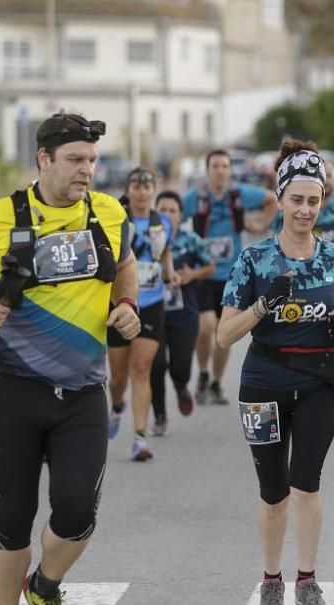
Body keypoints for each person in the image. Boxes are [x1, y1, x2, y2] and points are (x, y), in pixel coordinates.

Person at [0, 111, 140, 605]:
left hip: (82, 393)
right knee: (12, 515)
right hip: (13, 390)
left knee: (76, 512)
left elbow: (125, 265)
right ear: (43, 160)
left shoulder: (109, 213)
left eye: (92, 161)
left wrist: (126, 306)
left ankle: (45, 587)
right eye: (75, 160)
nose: (87, 171)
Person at [216, 140, 334, 605]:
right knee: (273, 492)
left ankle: (307, 583)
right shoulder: (254, 261)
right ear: (280, 198)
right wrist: (262, 305)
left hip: (320, 384)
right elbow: (225, 335)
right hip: (263, 384)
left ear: (322, 201)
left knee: (306, 482)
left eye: (314, 201)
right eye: (296, 200)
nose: (305, 210)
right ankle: (271, 581)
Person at [182, 149, 278, 406]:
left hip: (232, 277)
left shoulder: (239, 194)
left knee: (225, 334)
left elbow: (272, 199)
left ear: (230, 170)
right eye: (215, 166)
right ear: (207, 170)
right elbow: (171, 216)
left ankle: (216, 381)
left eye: (225, 166)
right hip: (204, 274)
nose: (220, 171)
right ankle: (202, 372)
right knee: (206, 329)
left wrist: (260, 225)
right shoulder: (196, 197)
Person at [105, 167, 180, 461]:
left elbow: (166, 251)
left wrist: (170, 270)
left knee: (141, 368)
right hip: (119, 303)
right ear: (128, 190)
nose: (142, 191)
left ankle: (139, 437)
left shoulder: (162, 221)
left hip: (151, 302)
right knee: (118, 376)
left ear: (154, 190)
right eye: (136, 186)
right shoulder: (115, 218)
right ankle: (117, 404)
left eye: (147, 187)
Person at [149, 190, 215, 436]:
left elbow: (210, 266)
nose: (167, 215)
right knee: (155, 366)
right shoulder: (146, 239)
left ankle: (181, 386)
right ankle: (159, 416)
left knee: (181, 368)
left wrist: (192, 275)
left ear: (180, 216)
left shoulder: (190, 239)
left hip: (184, 314)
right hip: (153, 313)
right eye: (162, 210)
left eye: (172, 211)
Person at [269, 158, 334, 246]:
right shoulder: (288, 207)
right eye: (320, 175)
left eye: (328, 175)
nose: (325, 180)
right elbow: (275, 241)